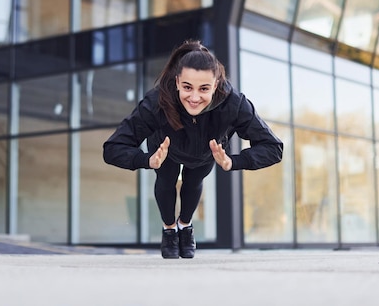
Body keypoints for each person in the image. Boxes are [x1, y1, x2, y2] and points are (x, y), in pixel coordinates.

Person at [103, 39, 283, 259]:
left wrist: (234, 162)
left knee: (194, 181)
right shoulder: (156, 102)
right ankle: (169, 229)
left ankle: (185, 226)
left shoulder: (233, 103)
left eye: (204, 89)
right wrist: (146, 160)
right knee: (166, 181)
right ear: (177, 82)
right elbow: (112, 148)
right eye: (187, 87)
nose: (195, 97)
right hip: (164, 150)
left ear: (216, 85)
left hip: (207, 151)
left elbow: (273, 148)